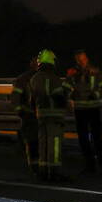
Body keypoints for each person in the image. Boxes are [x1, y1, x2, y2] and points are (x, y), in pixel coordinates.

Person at [28, 49, 71, 182]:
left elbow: (32, 100)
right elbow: (59, 97)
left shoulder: (34, 78)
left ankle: (43, 172)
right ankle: (54, 173)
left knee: (43, 144)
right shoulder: (54, 78)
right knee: (54, 145)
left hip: (40, 115)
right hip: (54, 117)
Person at [67, 49, 102, 174]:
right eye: (78, 60)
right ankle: (90, 166)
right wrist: (70, 94)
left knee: (97, 138)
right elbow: (65, 88)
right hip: (80, 110)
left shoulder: (95, 72)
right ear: (76, 61)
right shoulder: (72, 73)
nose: (81, 62)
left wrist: (96, 94)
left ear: (86, 59)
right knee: (83, 139)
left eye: (82, 59)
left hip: (92, 109)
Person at [11, 57, 39, 176]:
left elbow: (15, 98)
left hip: (30, 115)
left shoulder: (23, 78)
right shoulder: (25, 79)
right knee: (33, 141)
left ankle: (34, 166)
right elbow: (16, 98)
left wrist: (20, 111)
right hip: (32, 115)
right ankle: (35, 166)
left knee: (31, 142)